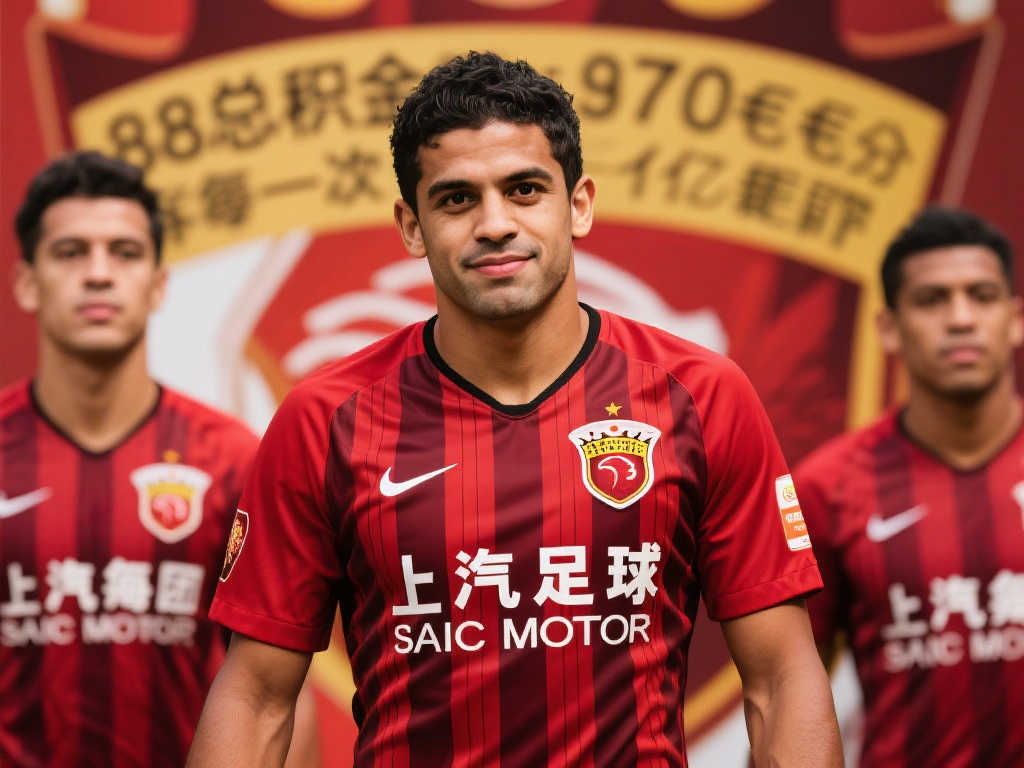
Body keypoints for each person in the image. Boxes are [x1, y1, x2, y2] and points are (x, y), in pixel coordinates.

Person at [189, 52, 842, 767]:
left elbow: (781, 679)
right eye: (456, 199)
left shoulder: (701, 396)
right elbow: (256, 697)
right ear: (411, 226)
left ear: (578, 204)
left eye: (525, 190)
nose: (494, 224)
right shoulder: (325, 419)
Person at [0, 151, 318, 767]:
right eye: (70, 253)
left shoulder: (230, 459)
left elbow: (279, 691)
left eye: (124, 253)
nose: (99, 275)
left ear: (158, 283)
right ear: (27, 283)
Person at [795, 206, 1024, 767]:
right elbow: (786, 693)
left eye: (982, 296)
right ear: (889, 329)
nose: (961, 319)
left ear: (1016, 319)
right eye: (932, 300)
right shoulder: (828, 489)